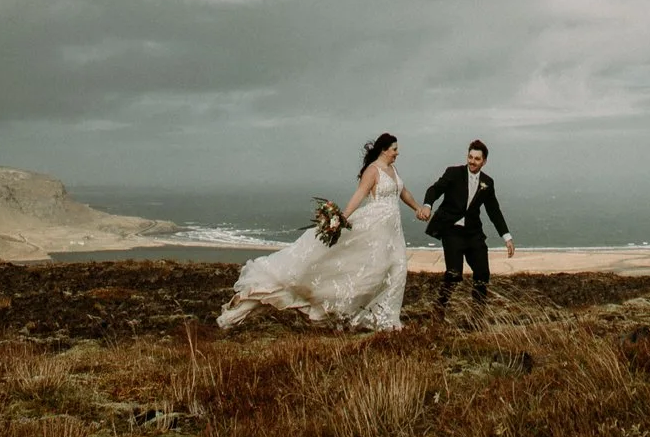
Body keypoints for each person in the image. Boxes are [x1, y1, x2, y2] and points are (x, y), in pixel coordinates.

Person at [216, 131, 432, 331]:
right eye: (394, 148)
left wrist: (418, 209)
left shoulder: (393, 170)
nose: (398, 152)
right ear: (384, 150)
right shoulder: (372, 171)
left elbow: (403, 192)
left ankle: (387, 318)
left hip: (392, 231)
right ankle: (365, 315)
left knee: (397, 269)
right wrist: (342, 218)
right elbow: (359, 195)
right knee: (368, 271)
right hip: (373, 227)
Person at [422, 138, 513, 309]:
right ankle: (439, 308)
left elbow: (494, 211)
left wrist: (507, 237)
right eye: (470, 157)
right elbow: (434, 189)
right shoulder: (453, 173)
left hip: (473, 233)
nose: (472, 161)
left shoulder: (488, 182)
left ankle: (478, 317)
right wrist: (427, 205)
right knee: (454, 273)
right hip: (452, 230)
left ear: (484, 161)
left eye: (477, 159)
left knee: (482, 275)